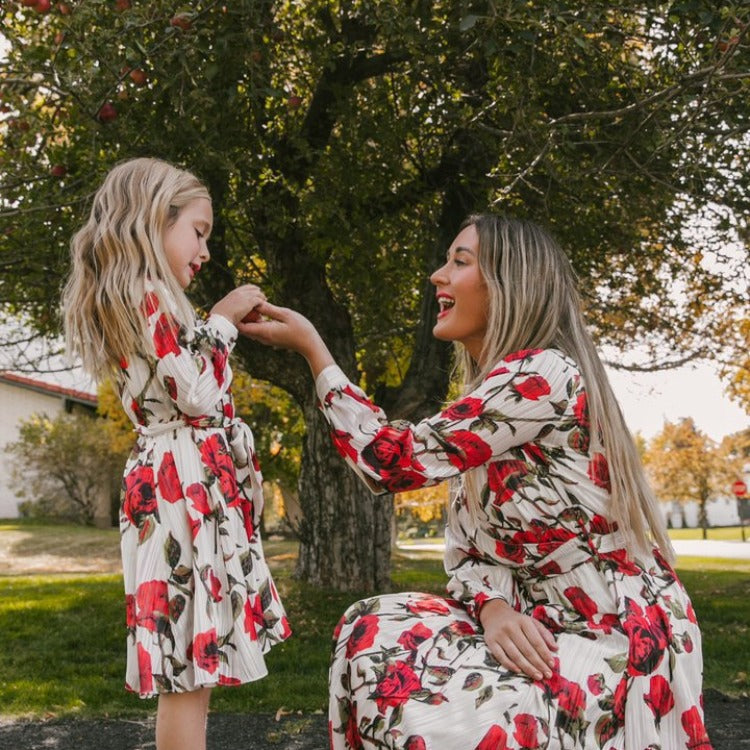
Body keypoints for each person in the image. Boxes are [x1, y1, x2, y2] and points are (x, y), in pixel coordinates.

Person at [243, 214, 712, 750]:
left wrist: (315, 351)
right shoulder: (488, 409)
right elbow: (468, 551)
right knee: (371, 628)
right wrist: (493, 609)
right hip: (536, 624)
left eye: (459, 262)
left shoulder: (544, 376)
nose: (437, 276)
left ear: (508, 283)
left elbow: (390, 461)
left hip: (612, 632)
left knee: (410, 679)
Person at [61, 157, 291, 750]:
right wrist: (224, 319)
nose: (205, 251)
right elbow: (196, 393)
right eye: (199, 231)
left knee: (195, 662)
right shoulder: (145, 296)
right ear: (153, 220)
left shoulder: (140, 298)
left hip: (178, 479)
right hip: (178, 486)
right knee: (189, 665)